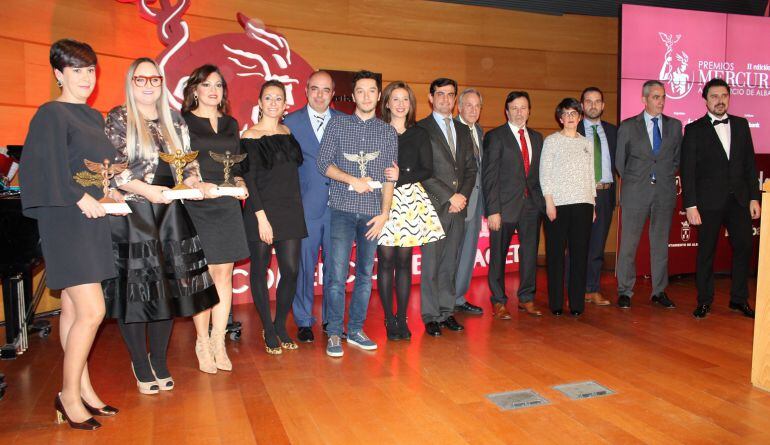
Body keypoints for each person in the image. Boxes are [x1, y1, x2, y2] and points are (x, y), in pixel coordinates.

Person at [102, 57, 219, 394]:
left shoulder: (176, 121)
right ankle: (140, 362)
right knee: (136, 293)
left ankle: (160, 362)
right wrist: (148, 191)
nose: (148, 84)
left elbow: (188, 165)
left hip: (170, 215)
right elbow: (114, 170)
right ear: (131, 82)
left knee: (168, 291)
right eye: (141, 79)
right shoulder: (118, 118)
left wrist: (196, 182)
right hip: (134, 215)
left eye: (154, 78)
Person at [20, 39, 118, 430]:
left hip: (92, 218)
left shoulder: (94, 117)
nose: (85, 77)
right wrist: (80, 197)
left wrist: (106, 191)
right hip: (66, 219)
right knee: (94, 310)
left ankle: (85, 390)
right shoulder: (51, 113)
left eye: (90, 70)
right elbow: (39, 169)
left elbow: (90, 169)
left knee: (77, 311)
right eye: (76, 70)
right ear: (58, 74)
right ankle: (67, 395)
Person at [317, 70, 397, 357]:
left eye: (371, 91)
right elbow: (323, 164)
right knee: (337, 275)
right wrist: (353, 180)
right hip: (340, 210)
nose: (366, 96)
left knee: (365, 275)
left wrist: (385, 213)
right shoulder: (337, 126)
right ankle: (335, 333)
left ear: (378, 96)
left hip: (372, 215)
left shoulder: (388, 132)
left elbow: (390, 176)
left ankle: (356, 330)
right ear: (353, 97)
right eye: (360, 91)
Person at [182, 65, 250, 373]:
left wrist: (239, 183)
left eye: (219, 85)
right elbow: (182, 165)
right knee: (204, 274)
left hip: (226, 203)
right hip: (198, 202)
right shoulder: (183, 122)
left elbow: (235, 164)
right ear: (194, 89)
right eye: (207, 84)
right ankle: (201, 342)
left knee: (225, 272)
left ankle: (218, 341)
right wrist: (197, 185)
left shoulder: (231, 123)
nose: (213, 90)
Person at [681, 77, 760, 319]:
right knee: (706, 252)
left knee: (744, 248)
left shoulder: (741, 125)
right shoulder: (694, 129)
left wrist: (754, 198)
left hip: (739, 200)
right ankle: (704, 300)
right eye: (714, 96)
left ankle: (739, 299)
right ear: (705, 100)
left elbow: (749, 165)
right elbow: (688, 170)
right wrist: (691, 205)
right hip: (707, 203)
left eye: (724, 96)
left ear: (729, 98)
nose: (720, 101)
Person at [241, 80, 308, 353]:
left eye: (278, 98)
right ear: (259, 102)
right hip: (261, 212)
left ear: (285, 104)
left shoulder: (287, 131)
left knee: (291, 271)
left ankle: (281, 324)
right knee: (259, 270)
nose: (273, 102)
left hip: (290, 211)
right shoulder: (249, 136)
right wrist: (261, 217)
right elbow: (249, 180)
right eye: (268, 98)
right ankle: (268, 329)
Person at [377, 81, 444, 341]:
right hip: (381, 199)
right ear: (387, 103)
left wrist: (401, 176)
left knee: (403, 264)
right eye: (396, 99)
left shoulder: (419, 134)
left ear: (411, 104)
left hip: (407, 202)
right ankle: (388, 318)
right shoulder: (378, 131)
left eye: (405, 99)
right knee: (385, 263)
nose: (401, 104)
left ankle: (402, 318)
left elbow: (427, 169)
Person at [285, 71, 343, 343]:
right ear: (306, 90)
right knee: (304, 267)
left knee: (336, 268)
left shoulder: (345, 122)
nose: (320, 95)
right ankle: (304, 320)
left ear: (333, 94)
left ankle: (333, 321)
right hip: (306, 208)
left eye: (326, 90)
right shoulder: (290, 123)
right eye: (315, 89)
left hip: (341, 208)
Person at [417, 78, 477, 337]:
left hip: (458, 207)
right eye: (439, 94)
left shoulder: (463, 130)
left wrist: (461, 196)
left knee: (451, 263)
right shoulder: (420, 129)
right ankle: (430, 315)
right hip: (433, 206)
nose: (445, 99)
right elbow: (420, 170)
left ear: (455, 100)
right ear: (431, 98)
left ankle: (446, 311)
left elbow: (471, 169)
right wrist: (449, 196)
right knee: (431, 264)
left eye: (450, 95)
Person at [615, 80, 682, 309]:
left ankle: (659, 291)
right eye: (655, 97)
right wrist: (637, 180)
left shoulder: (674, 126)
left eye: (663, 97)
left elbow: (675, 160)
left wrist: (659, 177)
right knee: (629, 245)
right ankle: (625, 290)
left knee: (660, 244)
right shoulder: (628, 126)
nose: (660, 101)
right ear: (644, 100)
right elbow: (620, 163)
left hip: (663, 192)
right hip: (635, 192)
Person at [482, 91, 545, 319]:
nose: (519, 112)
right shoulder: (496, 136)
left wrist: (541, 204)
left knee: (529, 255)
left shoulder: (537, 138)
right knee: (498, 256)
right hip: (504, 208)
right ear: (507, 111)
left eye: (523, 108)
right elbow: (490, 177)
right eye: (514, 108)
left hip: (531, 207)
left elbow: (538, 176)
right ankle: (498, 301)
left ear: (529, 111)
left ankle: (526, 298)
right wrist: (493, 210)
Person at [540, 98, 596, 316]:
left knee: (580, 255)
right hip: (558, 205)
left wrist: (593, 203)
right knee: (555, 255)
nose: (571, 117)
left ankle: (576, 304)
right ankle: (556, 303)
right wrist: (549, 202)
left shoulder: (586, 143)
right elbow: (545, 173)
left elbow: (591, 175)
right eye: (567, 114)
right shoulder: (551, 141)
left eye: (575, 113)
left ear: (580, 117)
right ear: (560, 118)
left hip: (583, 205)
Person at [577, 87, 617, 306]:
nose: (593, 105)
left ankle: (592, 289)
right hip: (581, 193)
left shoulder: (613, 131)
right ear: (582, 106)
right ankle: (574, 288)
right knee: (577, 243)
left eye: (597, 101)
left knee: (598, 245)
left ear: (603, 105)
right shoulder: (574, 129)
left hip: (605, 193)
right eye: (588, 101)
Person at [453, 88, 485, 315]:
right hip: (456, 202)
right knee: (451, 254)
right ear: (459, 107)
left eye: (477, 106)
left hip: (476, 202)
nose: (473, 110)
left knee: (467, 253)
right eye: (469, 105)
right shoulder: (451, 129)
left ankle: (459, 297)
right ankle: (444, 299)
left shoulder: (480, 131)